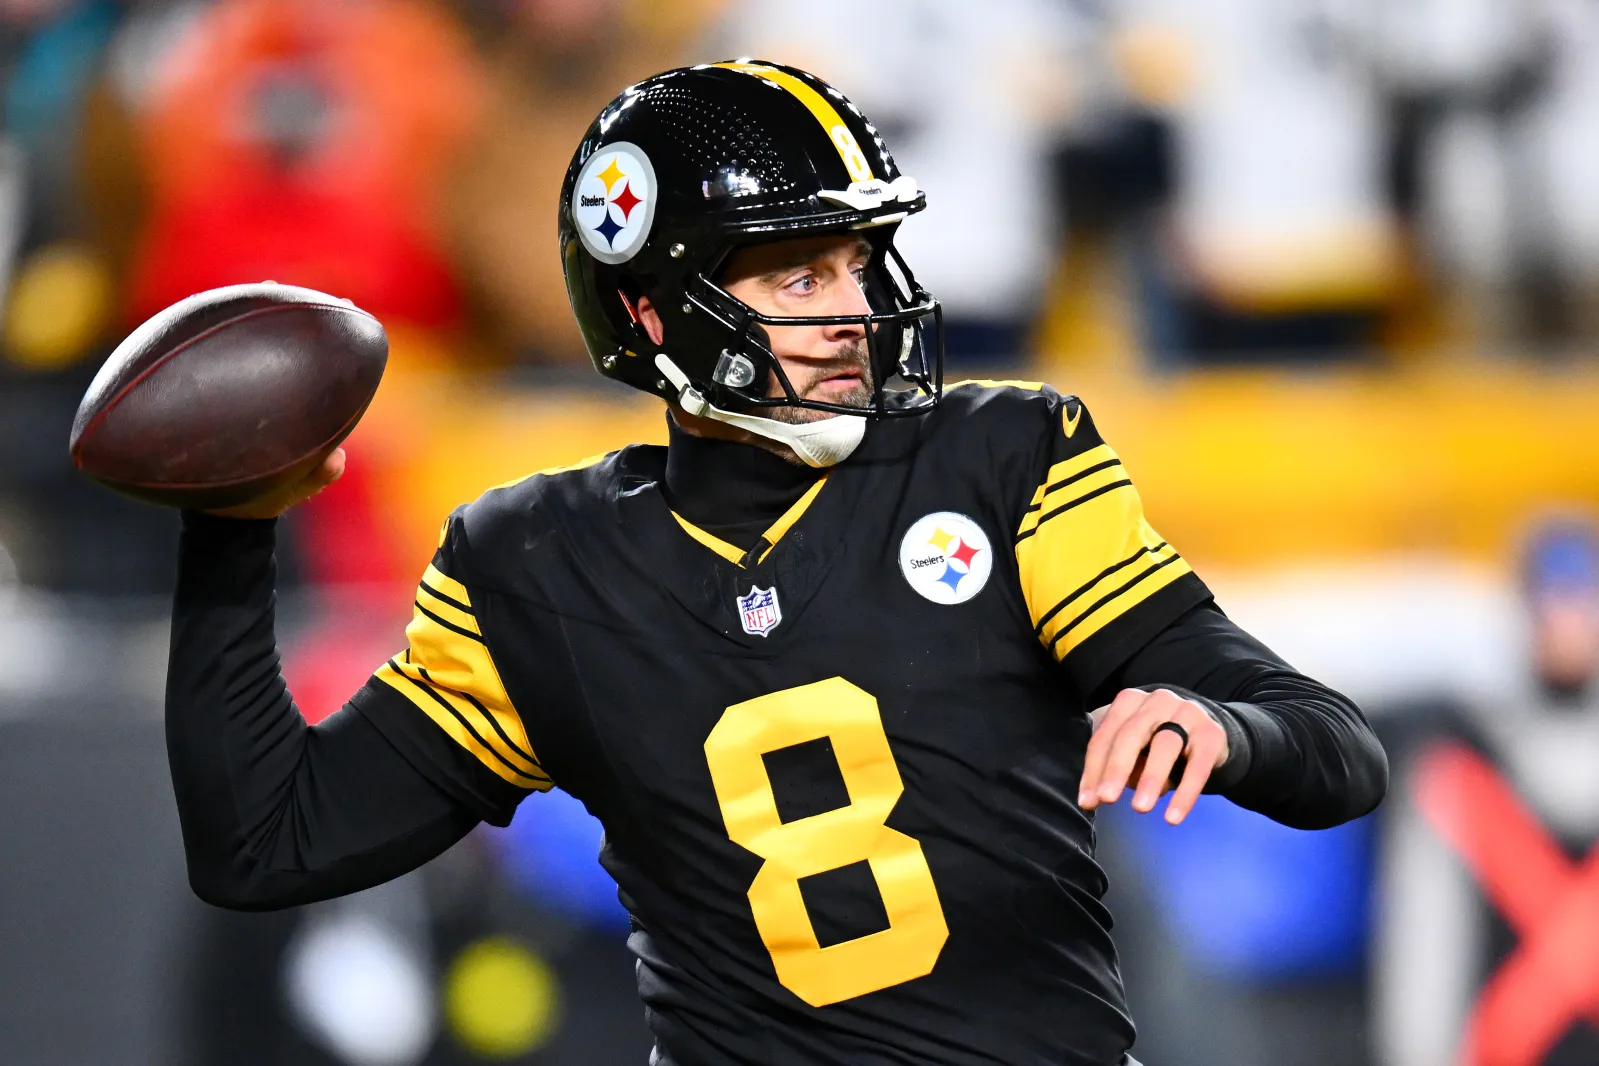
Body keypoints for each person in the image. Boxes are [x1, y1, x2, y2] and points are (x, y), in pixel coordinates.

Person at [165, 61, 1387, 1066]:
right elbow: (269, 844)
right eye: (800, 272)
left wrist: (1224, 728)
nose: (854, 307)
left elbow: (1335, 750)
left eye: (858, 262)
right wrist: (231, 528)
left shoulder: (1001, 465)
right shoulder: (536, 563)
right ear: (654, 311)